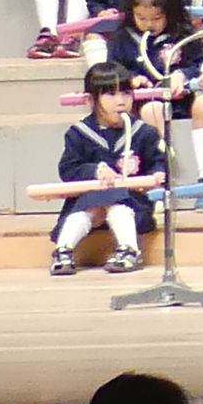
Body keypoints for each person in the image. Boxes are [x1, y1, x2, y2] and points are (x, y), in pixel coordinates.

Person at [51, 58, 162, 275]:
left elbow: (156, 161)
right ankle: (63, 250)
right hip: (87, 202)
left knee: (116, 201)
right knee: (94, 202)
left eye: (126, 93)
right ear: (91, 99)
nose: (121, 102)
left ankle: (129, 249)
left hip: (132, 202)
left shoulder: (144, 132)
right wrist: (96, 171)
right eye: (111, 95)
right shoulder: (79, 133)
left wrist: (158, 173)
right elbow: (68, 169)